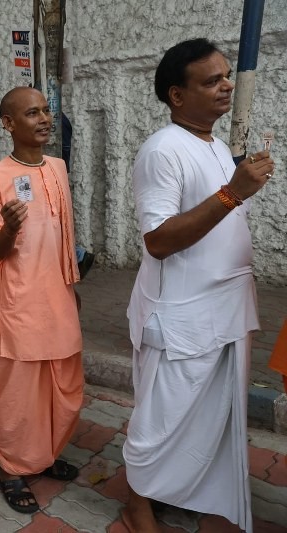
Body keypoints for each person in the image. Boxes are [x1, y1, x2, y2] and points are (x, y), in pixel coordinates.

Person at [122, 38, 274, 533]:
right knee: (161, 421)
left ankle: (179, 489)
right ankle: (136, 504)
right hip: (180, 315)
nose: (226, 85)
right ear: (177, 95)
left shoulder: (214, 146)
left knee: (207, 418)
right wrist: (234, 192)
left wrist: (236, 187)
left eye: (226, 75)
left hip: (223, 308)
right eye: (211, 80)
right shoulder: (162, 150)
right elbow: (159, 240)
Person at [0, 87, 83, 513]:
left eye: (45, 111)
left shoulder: (57, 167)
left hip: (60, 295)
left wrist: (73, 289)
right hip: (19, 303)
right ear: (8, 124)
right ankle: (12, 469)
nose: (43, 119)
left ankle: (43, 455)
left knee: (64, 386)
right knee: (19, 393)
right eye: (32, 113)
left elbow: (64, 236)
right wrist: (9, 228)